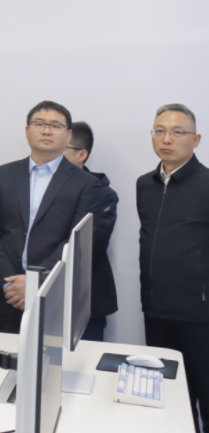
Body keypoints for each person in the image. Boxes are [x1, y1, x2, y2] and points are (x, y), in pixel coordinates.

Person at [0, 101, 100, 333]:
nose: (46, 131)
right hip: (5, 295)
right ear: (27, 131)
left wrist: (35, 282)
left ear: (68, 135)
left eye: (55, 125)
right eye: (39, 124)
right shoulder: (2, 175)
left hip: (54, 296)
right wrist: (10, 284)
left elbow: (76, 241)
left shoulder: (87, 184)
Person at [138, 103, 209, 431]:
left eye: (177, 132)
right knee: (169, 398)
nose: (167, 139)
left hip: (200, 315)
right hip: (156, 311)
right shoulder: (145, 184)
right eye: (160, 131)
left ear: (195, 140)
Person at [62, 121, 118, 341]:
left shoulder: (103, 193)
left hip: (85, 295)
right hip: (42, 294)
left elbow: (94, 243)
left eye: (62, 149)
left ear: (82, 154)